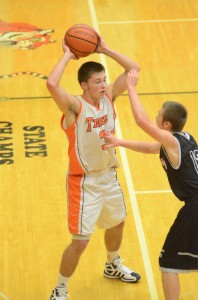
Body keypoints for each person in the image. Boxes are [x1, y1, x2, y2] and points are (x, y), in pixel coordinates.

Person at [46, 34, 141, 300]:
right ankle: (60, 289)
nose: (103, 84)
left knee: (118, 224)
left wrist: (105, 49)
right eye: (97, 82)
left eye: (103, 80)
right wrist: (68, 54)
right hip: (83, 182)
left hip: (109, 176)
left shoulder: (110, 96)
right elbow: (51, 84)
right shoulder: (75, 108)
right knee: (80, 242)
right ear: (84, 85)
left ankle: (112, 264)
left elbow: (134, 70)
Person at [104, 69, 198, 300]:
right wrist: (119, 142)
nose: (155, 118)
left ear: (166, 124)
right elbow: (150, 147)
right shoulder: (184, 138)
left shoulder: (172, 141)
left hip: (195, 207)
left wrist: (132, 87)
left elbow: (141, 121)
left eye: (158, 116)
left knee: (168, 262)